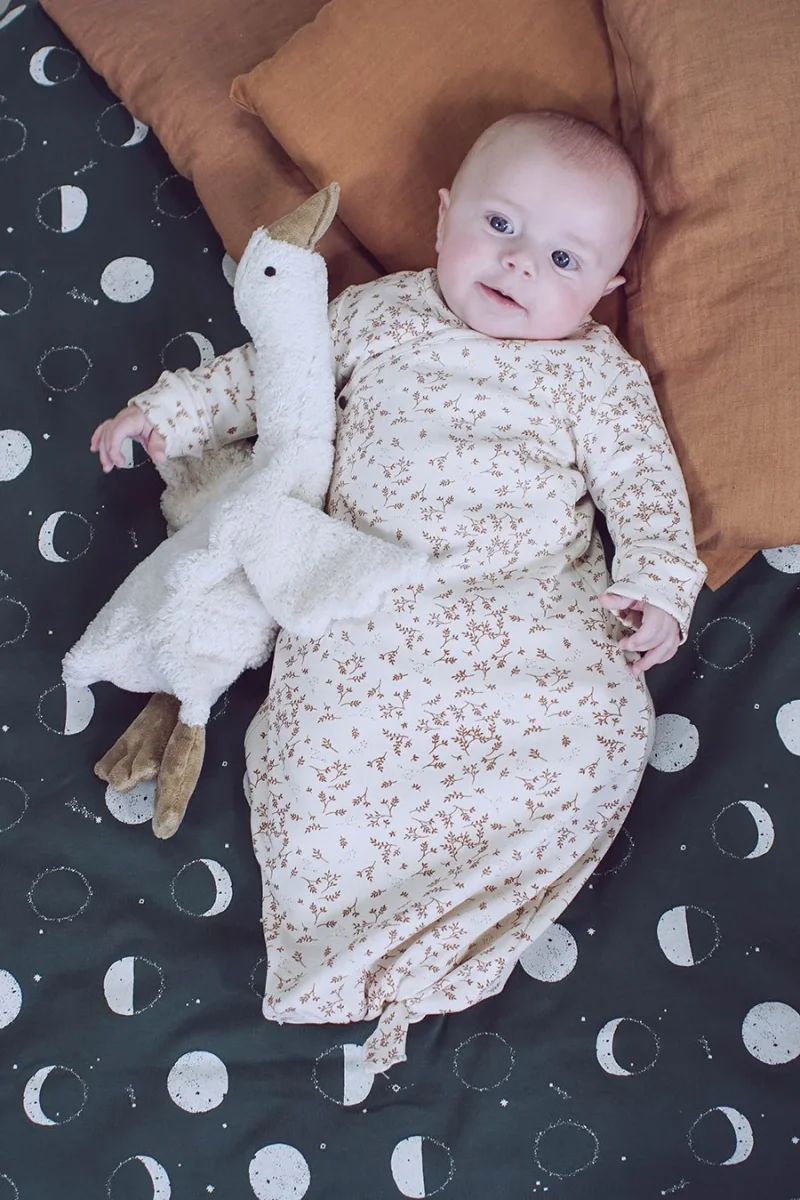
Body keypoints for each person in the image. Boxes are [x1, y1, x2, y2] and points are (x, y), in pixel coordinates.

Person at [91, 110, 706, 1072]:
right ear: (445, 216)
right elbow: (272, 373)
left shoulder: (596, 375)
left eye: (563, 259)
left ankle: (451, 943)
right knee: (319, 745)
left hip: (525, 616)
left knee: (605, 727)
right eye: (499, 225)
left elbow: (646, 489)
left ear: (606, 289)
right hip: (369, 602)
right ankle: (341, 953)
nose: (520, 264)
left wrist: (660, 588)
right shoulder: (381, 315)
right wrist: (170, 411)